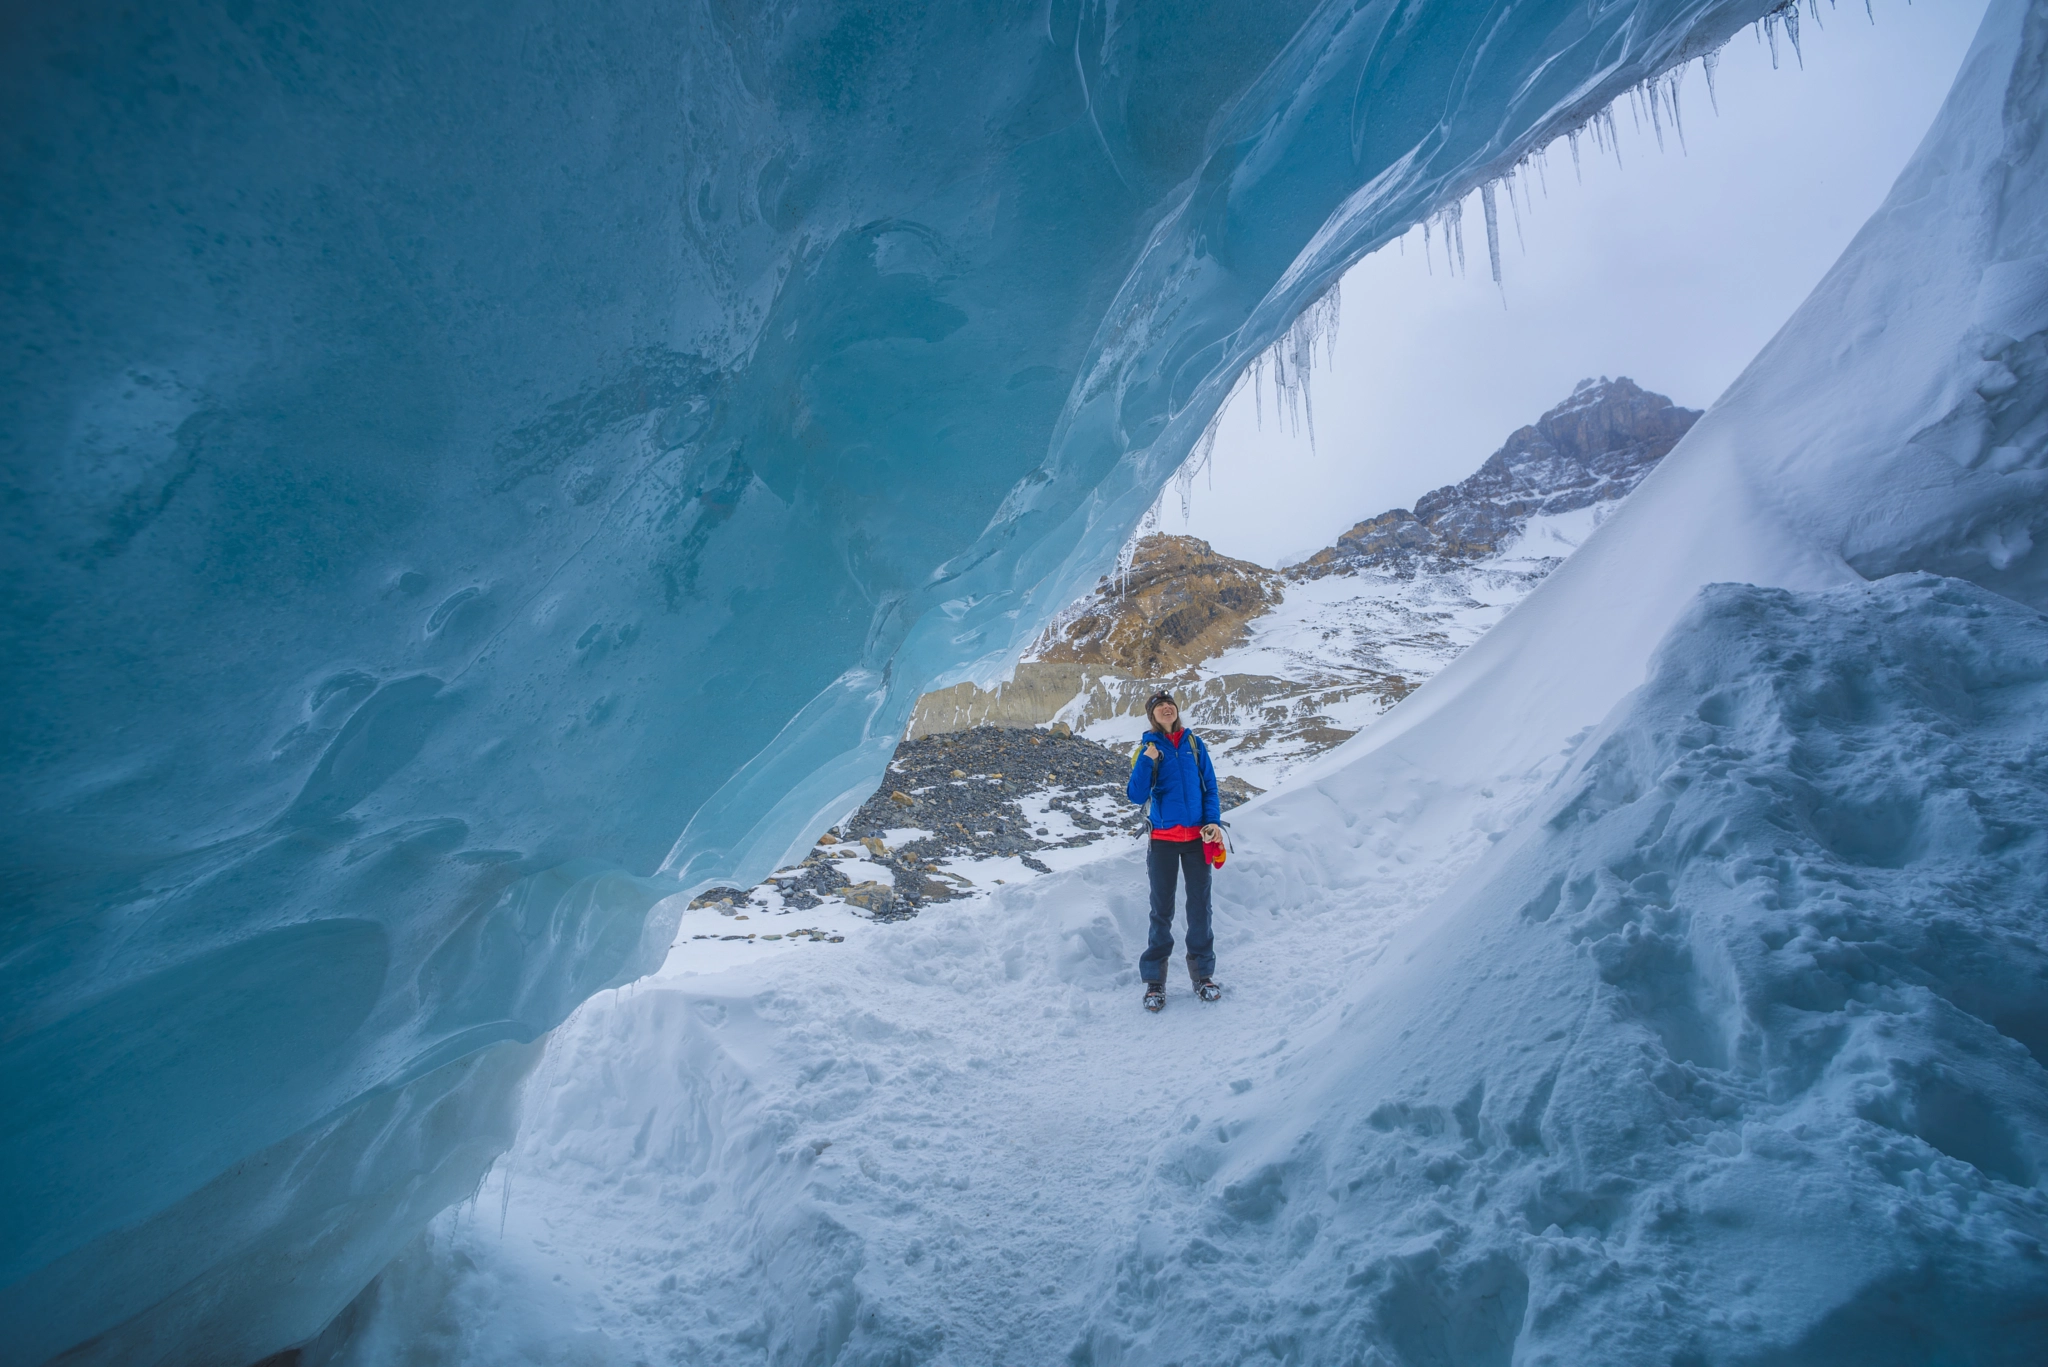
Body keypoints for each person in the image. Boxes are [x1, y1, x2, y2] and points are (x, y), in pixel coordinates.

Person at [1125, 690, 1225, 1011]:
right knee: (1161, 912)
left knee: (1199, 908)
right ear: (1152, 716)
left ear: (1176, 710)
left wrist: (1212, 822)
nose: (1166, 708)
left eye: (1169, 704)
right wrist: (1147, 759)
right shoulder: (1147, 748)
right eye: (1158, 707)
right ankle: (1155, 982)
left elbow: (1209, 787)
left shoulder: (1194, 746)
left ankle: (1203, 976)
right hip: (1164, 842)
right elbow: (1136, 794)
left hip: (1197, 839)